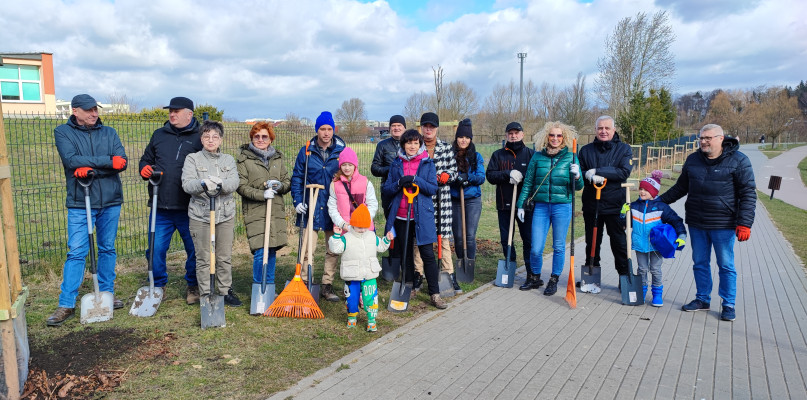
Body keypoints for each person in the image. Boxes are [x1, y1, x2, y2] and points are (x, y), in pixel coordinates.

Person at [658, 124, 756, 321]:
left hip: (724, 224)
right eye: (701, 138)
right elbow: (680, 188)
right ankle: (702, 299)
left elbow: (748, 194)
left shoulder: (739, 160)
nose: (703, 142)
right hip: (697, 222)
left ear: (721, 138)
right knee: (700, 263)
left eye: (708, 138)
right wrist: (657, 202)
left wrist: (745, 223)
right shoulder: (693, 160)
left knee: (725, 265)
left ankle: (728, 304)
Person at [48, 94, 128, 326]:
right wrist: (108, 162)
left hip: (110, 200)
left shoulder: (109, 132)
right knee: (76, 251)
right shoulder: (63, 132)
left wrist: (91, 167)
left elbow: (122, 162)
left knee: (107, 248)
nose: (94, 113)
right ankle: (66, 303)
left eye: (95, 109)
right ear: (75, 111)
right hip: (80, 201)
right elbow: (71, 161)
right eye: (88, 110)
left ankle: (106, 294)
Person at [139, 96, 203, 304]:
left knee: (194, 249)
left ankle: (193, 285)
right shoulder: (159, 134)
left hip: (190, 206)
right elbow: (146, 159)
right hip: (161, 206)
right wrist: (144, 168)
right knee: (156, 248)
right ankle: (158, 285)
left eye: (176, 111)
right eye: (170, 111)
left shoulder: (200, 137)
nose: (172, 114)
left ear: (189, 114)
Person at [515, 121, 584, 296]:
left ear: (564, 137)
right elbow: (528, 183)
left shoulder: (571, 157)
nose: (555, 138)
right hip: (541, 207)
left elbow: (578, 187)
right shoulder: (537, 157)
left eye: (559, 135)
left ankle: (554, 279)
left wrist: (577, 175)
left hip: (562, 206)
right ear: (546, 136)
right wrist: (520, 205)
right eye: (552, 135)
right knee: (536, 247)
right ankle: (535, 277)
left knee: (558, 246)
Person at [381, 129, 446, 309]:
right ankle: (409, 286)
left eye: (415, 143)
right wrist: (399, 183)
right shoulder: (396, 163)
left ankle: (434, 293)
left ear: (420, 145)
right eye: (409, 142)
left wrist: (416, 180)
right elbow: (387, 189)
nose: (412, 146)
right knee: (406, 253)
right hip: (401, 215)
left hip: (421, 215)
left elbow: (432, 188)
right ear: (403, 144)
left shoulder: (427, 163)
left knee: (427, 254)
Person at [181, 120, 241, 306]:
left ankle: (224, 291)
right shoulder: (193, 159)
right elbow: (187, 184)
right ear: (201, 139)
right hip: (200, 216)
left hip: (225, 215)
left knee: (224, 256)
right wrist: (203, 183)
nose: (211, 140)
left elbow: (234, 182)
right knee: (204, 257)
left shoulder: (228, 160)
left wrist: (221, 184)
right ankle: (206, 293)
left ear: (221, 139)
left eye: (215, 136)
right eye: (206, 136)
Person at [291, 111, 346, 302]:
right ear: (317, 130)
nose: (326, 133)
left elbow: (348, 176)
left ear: (334, 130)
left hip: (333, 207)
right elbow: (297, 178)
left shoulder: (340, 151)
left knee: (333, 249)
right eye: (323, 129)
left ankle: (327, 285)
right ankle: (305, 282)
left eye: (330, 129)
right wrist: (298, 201)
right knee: (308, 248)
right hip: (311, 205)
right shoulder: (307, 151)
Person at [578, 115, 633, 291]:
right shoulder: (586, 150)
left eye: (607, 128)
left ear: (613, 130)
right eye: (600, 128)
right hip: (592, 204)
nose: (603, 131)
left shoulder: (624, 149)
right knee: (592, 242)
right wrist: (586, 175)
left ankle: (624, 277)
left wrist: (598, 171)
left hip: (615, 205)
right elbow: (580, 173)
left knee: (619, 243)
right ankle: (591, 274)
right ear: (595, 130)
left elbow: (623, 172)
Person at [236, 122, 290, 292]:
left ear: (270, 139)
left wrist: (280, 186)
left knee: (271, 249)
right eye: (257, 136)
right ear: (252, 138)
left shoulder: (277, 159)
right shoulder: (244, 159)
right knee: (261, 251)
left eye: (264, 136)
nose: (260, 139)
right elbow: (241, 186)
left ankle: (269, 288)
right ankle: (259, 288)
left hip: (275, 210)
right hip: (256, 211)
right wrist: (262, 194)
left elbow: (287, 181)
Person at [626, 170, 687, 307]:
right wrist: (624, 214)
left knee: (655, 269)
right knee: (642, 269)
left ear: (653, 192)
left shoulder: (661, 207)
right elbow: (626, 224)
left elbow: (676, 221)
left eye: (646, 190)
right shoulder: (634, 206)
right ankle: (641, 291)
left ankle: (657, 294)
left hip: (656, 246)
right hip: (639, 244)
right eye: (641, 189)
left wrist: (681, 235)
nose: (642, 192)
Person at [328, 204, 393, 332]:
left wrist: (386, 239)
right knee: (351, 298)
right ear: (353, 225)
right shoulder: (346, 238)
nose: (362, 230)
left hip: (369, 274)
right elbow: (336, 248)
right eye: (359, 227)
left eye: (365, 227)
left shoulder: (372, 236)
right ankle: (352, 316)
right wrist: (336, 236)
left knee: (371, 298)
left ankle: (371, 320)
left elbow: (381, 247)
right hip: (352, 275)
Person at [486, 122, 535, 289]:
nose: (513, 136)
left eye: (516, 133)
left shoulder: (531, 155)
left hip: (525, 207)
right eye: (510, 133)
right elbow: (490, 176)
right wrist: (508, 174)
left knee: (528, 239)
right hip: (504, 205)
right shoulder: (498, 155)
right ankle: (510, 267)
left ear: (522, 134)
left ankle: (531, 273)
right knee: (506, 238)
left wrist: (523, 179)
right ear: (506, 135)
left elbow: (535, 178)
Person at [413, 112, 456, 293]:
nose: (428, 129)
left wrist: (447, 175)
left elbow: (454, 171)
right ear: (421, 128)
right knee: (420, 238)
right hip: (422, 198)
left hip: (442, 198)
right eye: (426, 126)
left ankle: (448, 274)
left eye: (432, 126)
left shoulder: (446, 148)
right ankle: (418, 273)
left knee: (443, 238)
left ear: (437, 128)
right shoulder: (417, 147)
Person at [449, 118, 485, 294]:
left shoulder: (476, 157)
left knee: (469, 235)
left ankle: (469, 263)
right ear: (456, 138)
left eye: (467, 137)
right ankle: (461, 261)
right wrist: (455, 179)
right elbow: (445, 174)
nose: (463, 140)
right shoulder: (450, 155)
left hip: (472, 200)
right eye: (461, 137)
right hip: (455, 199)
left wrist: (468, 178)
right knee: (458, 235)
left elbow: (481, 177)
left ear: (470, 139)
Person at [328, 146, 378, 232]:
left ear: (355, 165)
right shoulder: (334, 184)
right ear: (340, 166)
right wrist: (341, 223)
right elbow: (332, 208)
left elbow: (372, 204)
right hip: (344, 229)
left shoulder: (365, 183)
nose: (347, 168)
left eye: (350, 165)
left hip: (364, 228)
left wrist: (364, 220)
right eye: (344, 165)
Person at [372, 115, 407, 215]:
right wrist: (391, 170)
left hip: (407, 188)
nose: (396, 128)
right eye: (393, 125)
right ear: (390, 128)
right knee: (390, 219)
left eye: (399, 125)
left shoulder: (411, 143)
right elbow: (374, 168)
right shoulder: (382, 145)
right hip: (389, 188)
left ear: (404, 127)